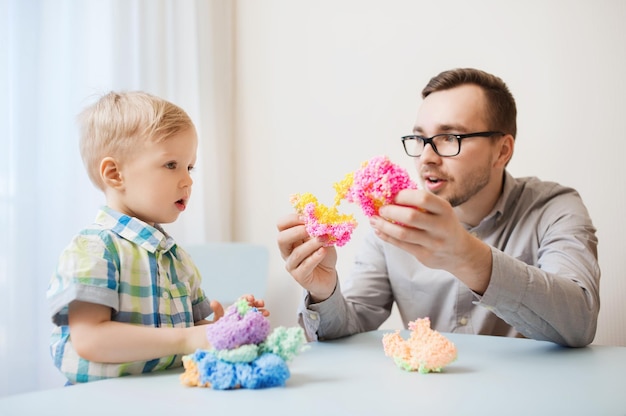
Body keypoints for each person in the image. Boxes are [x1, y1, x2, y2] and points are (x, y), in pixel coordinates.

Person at [277, 68, 600, 348]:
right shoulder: (392, 220)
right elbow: (349, 328)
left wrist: (468, 257)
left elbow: (579, 323)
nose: (427, 157)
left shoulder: (553, 208)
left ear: (502, 151)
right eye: (420, 139)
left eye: (449, 137)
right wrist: (324, 292)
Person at [47, 91, 267, 384]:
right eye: (171, 165)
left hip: (168, 395)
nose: (188, 180)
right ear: (114, 174)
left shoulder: (177, 259)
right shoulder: (95, 249)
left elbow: (193, 333)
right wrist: (188, 338)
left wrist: (224, 328)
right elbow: (90, 339)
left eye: (190, 167)